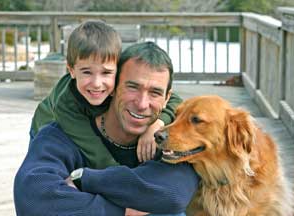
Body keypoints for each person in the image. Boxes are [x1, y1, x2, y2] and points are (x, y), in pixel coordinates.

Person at [14, 42, 200, 215]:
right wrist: (121, 211)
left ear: (167, 99)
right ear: (112, 87)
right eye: (132, 87)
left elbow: (174, 194)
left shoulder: (169, 140)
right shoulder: (62, 133)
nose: (142, 104)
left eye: (155, 93)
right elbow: (32, 196)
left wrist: (83, 179)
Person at [30, 20, 182, 164]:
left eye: (106, 72)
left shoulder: (115, 82)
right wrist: (120, 178)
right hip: (46, 124)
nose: (97, 84)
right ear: (71, 71)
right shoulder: (67, 106)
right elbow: (96, 152)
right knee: (49, 152)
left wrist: (158, 123)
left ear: (117, 70)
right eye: (87, 72)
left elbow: (174, 100)